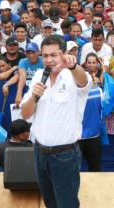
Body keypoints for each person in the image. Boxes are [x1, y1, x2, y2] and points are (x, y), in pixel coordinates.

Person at [20, 35, 91, 208]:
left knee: (66, 204)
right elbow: (25, 114)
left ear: (63, 55)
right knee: (50, 202)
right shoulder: (38, 76)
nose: (49, 60)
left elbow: (83, 81)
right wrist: (34, 98)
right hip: (39, 153)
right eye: (45, 56)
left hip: (65, 156)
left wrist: (73, 66)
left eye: (54, 55)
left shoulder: (73, 76)